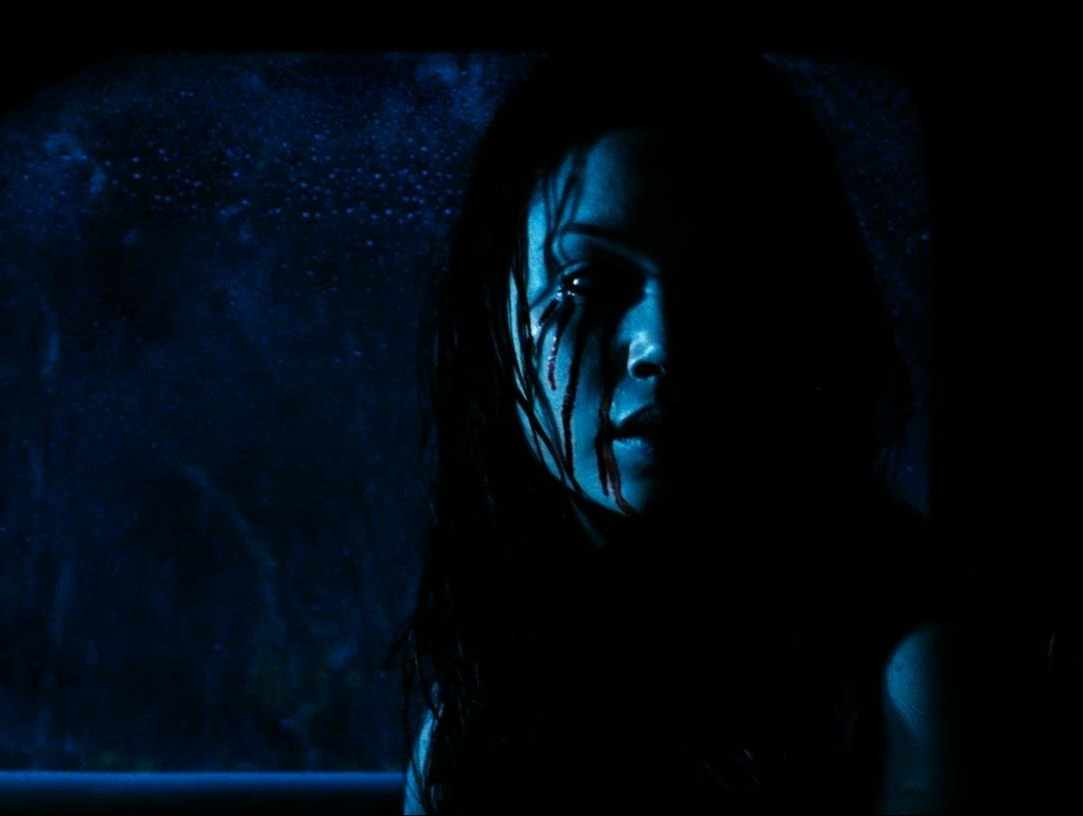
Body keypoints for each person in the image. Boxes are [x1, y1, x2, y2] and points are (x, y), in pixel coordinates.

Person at [396, 48, 956, 812]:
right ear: (492, 323)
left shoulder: (908, 673)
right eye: (588, 281)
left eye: (726, 283)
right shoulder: (486, 682)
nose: (663, 341)